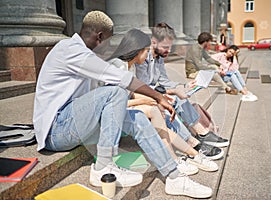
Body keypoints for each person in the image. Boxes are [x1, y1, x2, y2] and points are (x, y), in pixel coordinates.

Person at [33, 11, 212, 198]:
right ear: (100, 36)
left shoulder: (85, 54)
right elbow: (119, 78)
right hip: (57, 131)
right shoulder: (69, 50)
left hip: (76, 122)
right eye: (108, 40)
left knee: (138, 118)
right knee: (116, 91)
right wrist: (158, 97)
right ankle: (103, 166)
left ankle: (174, 177)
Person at [99, 28, 218, 173]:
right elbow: (112, 103)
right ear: (137, 50)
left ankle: (193, 154)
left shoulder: (130, 67)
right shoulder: (117, 66)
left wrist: (157, 99)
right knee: (155, 110)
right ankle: (177, 159)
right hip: (111, 114)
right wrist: (149, 101)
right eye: (146, 51)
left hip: (126, 106)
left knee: (160, 108)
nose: (148, 54)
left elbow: (131, 95)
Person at [135, 23, 229, 152]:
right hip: (143, 95)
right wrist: (170, 92)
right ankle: (190, 142)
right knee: (172, 100)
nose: (168, 51)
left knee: (180, 97)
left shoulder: (160, 57)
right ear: (154, 42)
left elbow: (163, 80)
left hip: (154, 92)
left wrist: (185, 86)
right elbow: (143, 87)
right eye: (165, 47)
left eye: (169, 47)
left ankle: (201, 133)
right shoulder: (142, 57)